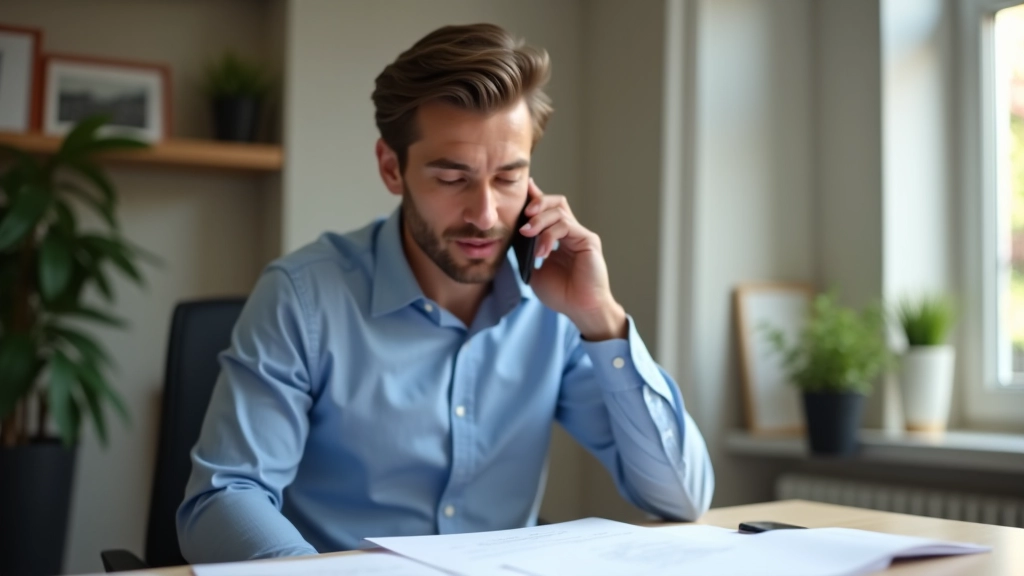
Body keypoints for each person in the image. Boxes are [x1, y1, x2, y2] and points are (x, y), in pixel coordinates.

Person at [177, 22, 714, 563]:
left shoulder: (555, 308)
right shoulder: (303, 297)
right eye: (453, 178)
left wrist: (601, 318)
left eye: (508, 178)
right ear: (393, 167)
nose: (485, 215)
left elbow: (681, 498)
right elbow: (225, 496)